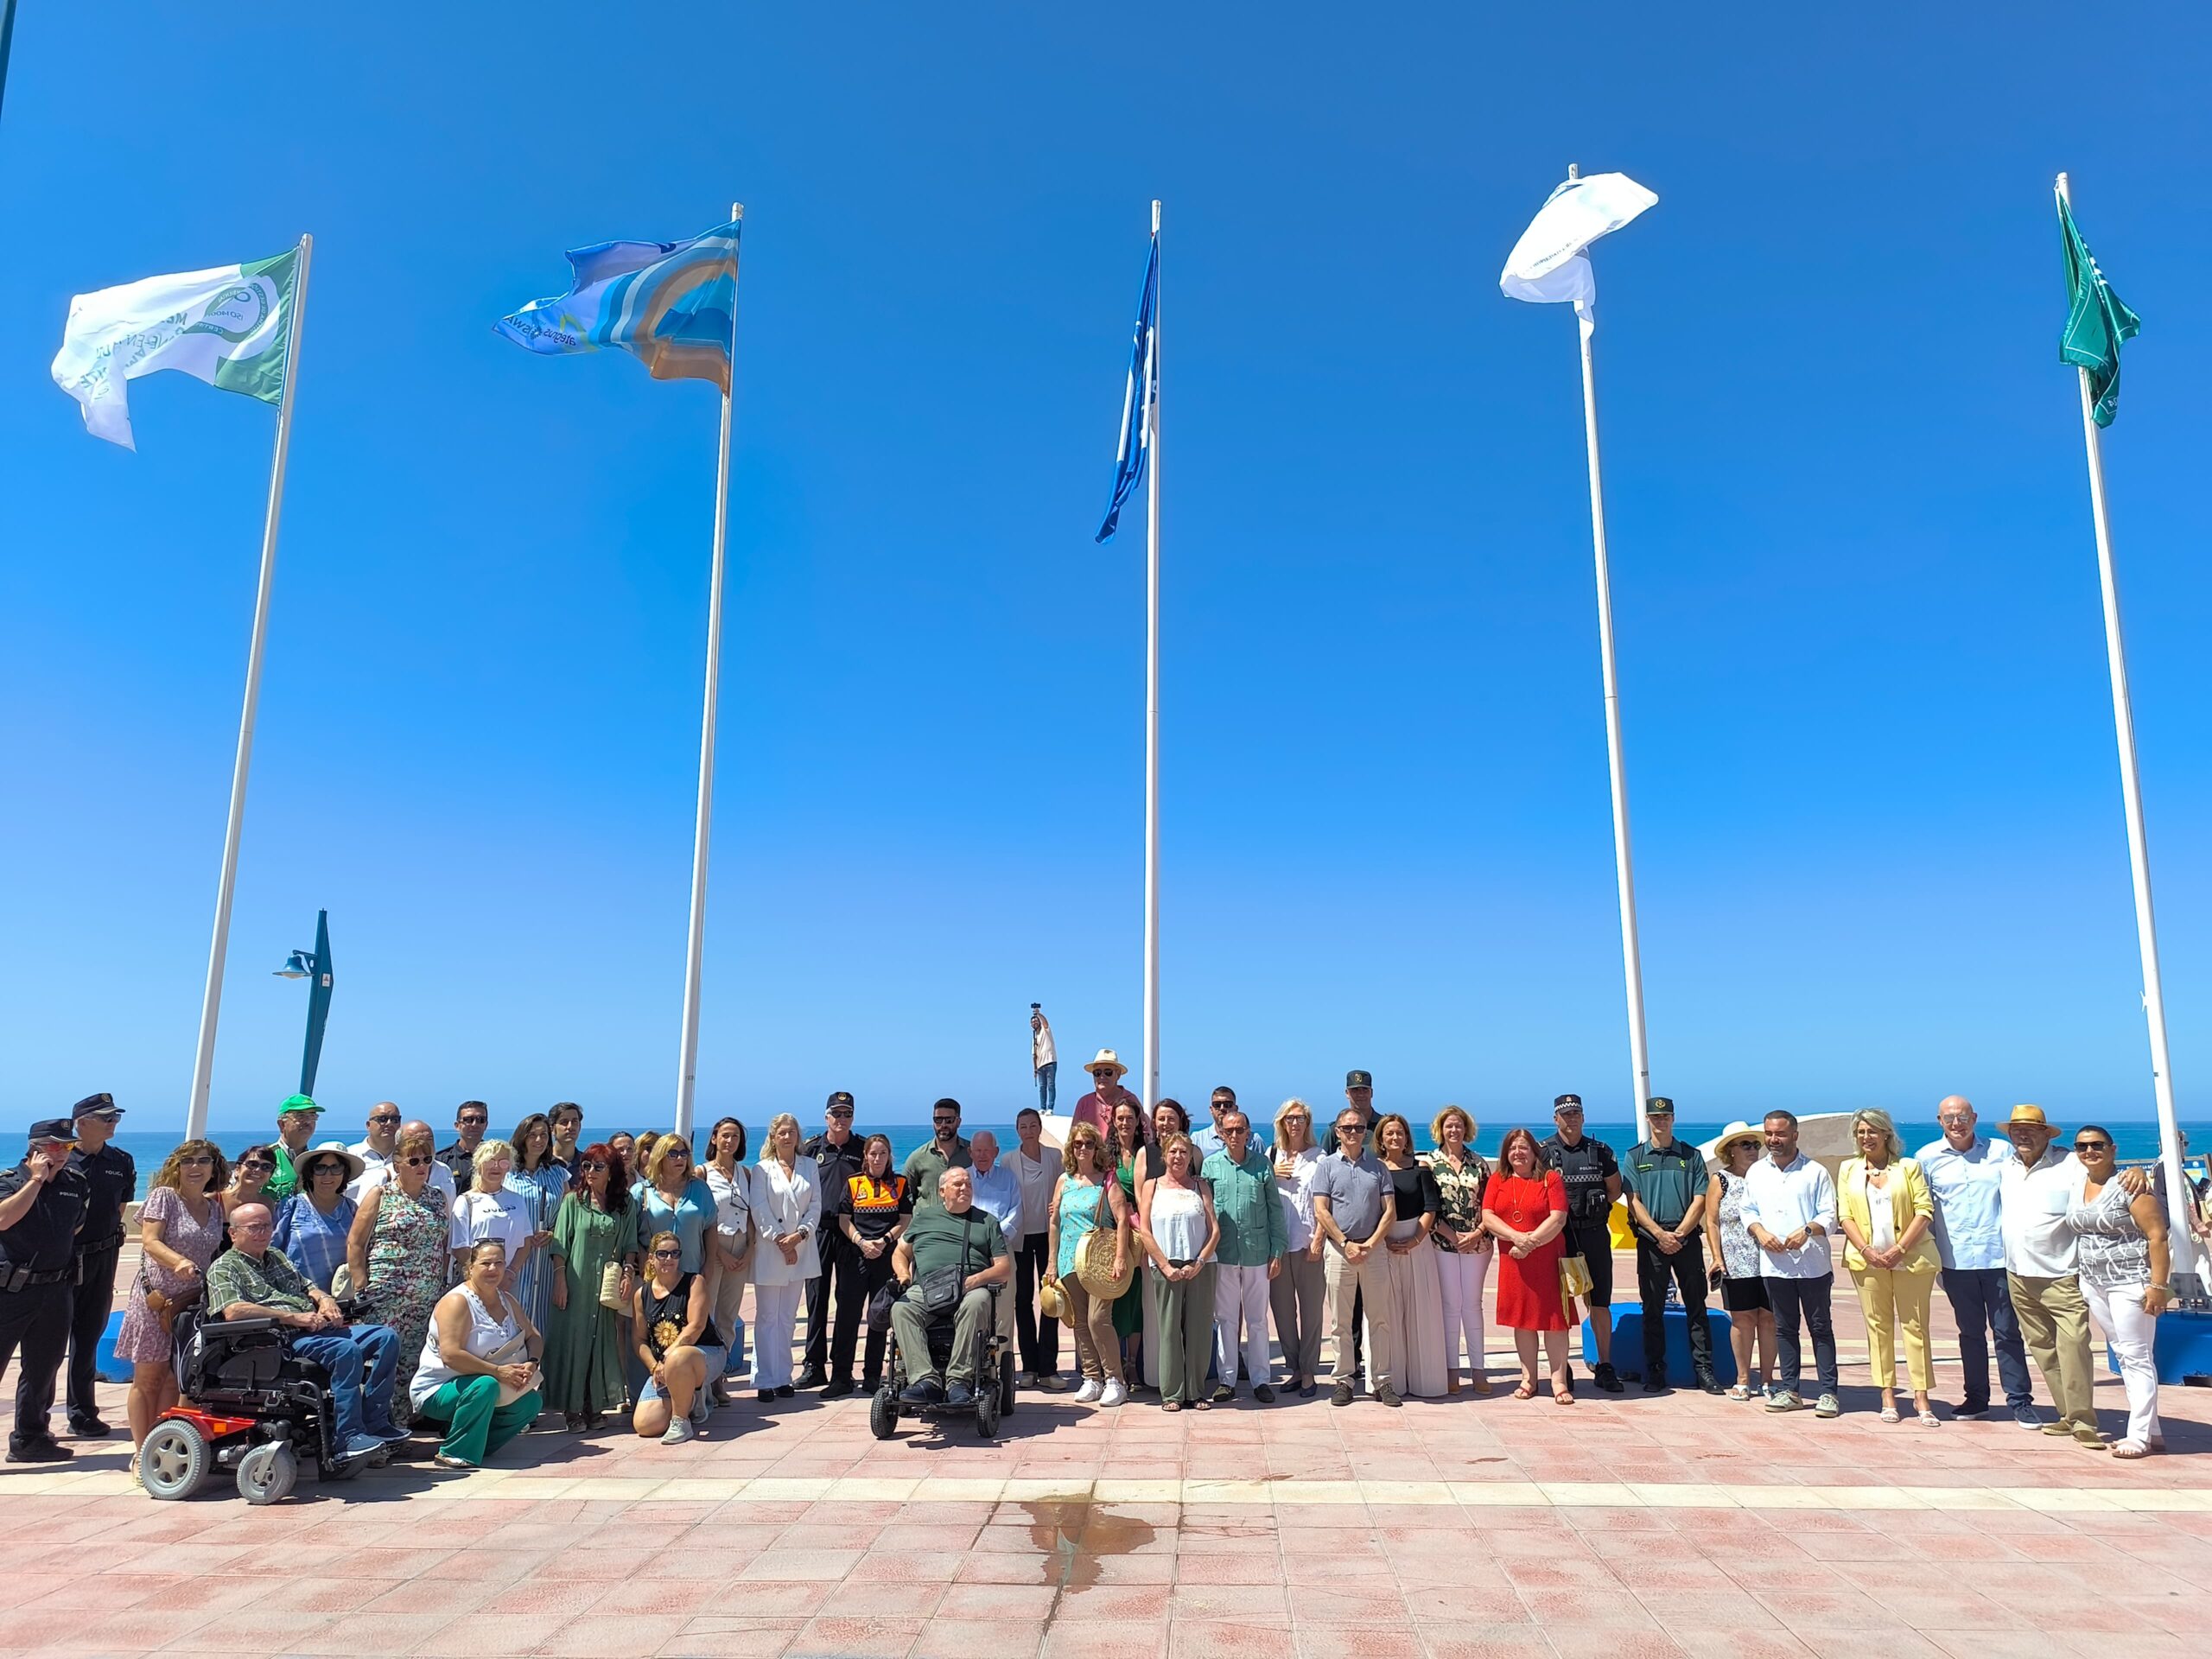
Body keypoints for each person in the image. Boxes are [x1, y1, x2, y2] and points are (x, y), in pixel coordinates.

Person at [206, 1202, 404, 1460]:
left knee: (386, 1338)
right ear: (233, 1233)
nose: (263, 1232)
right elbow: (233, 1311)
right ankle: (347, 1437)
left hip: (313, 1327)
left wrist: (325, 1300)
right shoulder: (224, 1267)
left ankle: (376, 1422)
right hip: (278, 1340)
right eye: (254, 1227)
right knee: (346, 1350)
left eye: (267, 1226)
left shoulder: (276, 1256)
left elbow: (307, 1286)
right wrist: (292, 1317)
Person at [1916, 1097, 2037, 1427]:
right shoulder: (1926, 1158)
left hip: (1998, 1257)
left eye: (1963, 1116)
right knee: (1969, 1333)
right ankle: (1976, 1399)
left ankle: (2020, 1401)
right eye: (1950, 1118)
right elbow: (1921, 1209)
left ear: (1975, 1118)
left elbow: (2037, 1170)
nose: (1957, 1123)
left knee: (2007, 1332)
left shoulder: (2001, 1152)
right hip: (1955, 1262)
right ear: (1940, 1120)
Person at [117, 1141, 227, 1475]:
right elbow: (150, 1240)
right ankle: (140, 1453)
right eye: (188, 1161)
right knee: (147, 1379)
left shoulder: (214, 1207)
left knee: (174, 1381)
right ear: (176, 1166)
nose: (196, 1168)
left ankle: (159, 1447)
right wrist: (178, 1261)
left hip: (190, 1306)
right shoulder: (165, 1197)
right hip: (157, 1302)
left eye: (204, 1161)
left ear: (213, 1167)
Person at [1999, 1104, 2103, 1449]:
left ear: (2047, 1133)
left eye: (2031, 1129)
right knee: (2043, 1349)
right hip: (2018, 1274)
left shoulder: (2070, 1164)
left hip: (2062, 1273)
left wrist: (2137, 1175)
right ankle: (2068, 1415)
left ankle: (2084, 1420)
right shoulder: (2006, 1166)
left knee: (2073, 1347)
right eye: (2017, 1130)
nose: (2023, 1135)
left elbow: (2103, 1175)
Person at [2068, 1124, 2171, 1458]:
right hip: (2095, 1282)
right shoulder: (2077, 1183)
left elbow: (2157, 1236)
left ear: (2113, 1149)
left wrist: (2158, 1287)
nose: (2089, 1152)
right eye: (2082, 1147)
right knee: (2124, 1354)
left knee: (2137, 1356)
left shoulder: (2131, 1185)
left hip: (2131, 1283)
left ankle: (2138, 1436)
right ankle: (2152, 1430)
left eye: (2097, 1145)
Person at [1835, 1108, 1941, 1425]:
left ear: (1886, 1135)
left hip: (1911, 1259)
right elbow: (1845, 1215)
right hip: (1866, 1262)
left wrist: (1899, 1249)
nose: (1866, 1137)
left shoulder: (1909, 1168)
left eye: (1872, 1131)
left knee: (1916, 1327)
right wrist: (1866, 1250)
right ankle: (1887, 1394)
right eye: (1860, 1132)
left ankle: (1921, 1396)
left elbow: (1924, 1210)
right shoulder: (1848, 1169)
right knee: (1878, 1327)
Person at [345, 1122, 450, 1426]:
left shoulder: (437, 1198)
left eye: (427, 1160)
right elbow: (355, 1242)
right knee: (380, 1366)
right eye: (414, 1161)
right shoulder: (380, 1194)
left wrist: (439, 1282)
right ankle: (372, 1430)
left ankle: (399, 1428)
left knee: (412, 1365)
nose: (422, 1167)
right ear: (397, 1164)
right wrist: (361, 1283)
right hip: (385, 1298)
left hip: (424, 1299)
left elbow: (442, 1245)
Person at [0, 1120, 89, 1463]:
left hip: (55, 1289)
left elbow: (76, 1226)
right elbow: (4, 1220)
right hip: (11, 1290)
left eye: (66, 1147)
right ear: (34, 1147)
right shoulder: (9, 1181)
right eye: (53, 1146)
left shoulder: (75, 1183)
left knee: (44, 1367)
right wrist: (36, 1181)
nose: (61, 1153)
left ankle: (30, 1437)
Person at [1742, 1110, 1841, 1419]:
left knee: (1820, 1328)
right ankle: (1790, 1390)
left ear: (1795, 1135)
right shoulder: (1757, 1171)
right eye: (1769, 1134)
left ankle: (1828, 1393)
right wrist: (1759, 1232)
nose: (1774, 1139)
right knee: (1784, 1329)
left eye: (1780, 1134)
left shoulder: (1816, 1172)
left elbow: (1830, 1215)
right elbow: (1748, 1209)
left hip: (1813, 1265)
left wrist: (1808, 1229)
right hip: (1775, 1265)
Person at [410, 1240, 543, 1469]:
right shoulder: (457, 1301)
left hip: (490, 1381)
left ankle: (474, 1444)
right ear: (470, 1267)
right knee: (485, 1386)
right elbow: (451, 1355)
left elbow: (534, 1336)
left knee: (530, 1402)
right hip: (439, 1387)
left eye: (499, 1263)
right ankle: (453, 1452)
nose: (493, 1269)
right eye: (486, 1263)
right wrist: (498, 1371)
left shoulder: (507, 1300)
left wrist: (532, 1363)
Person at [1621, 1097, 1720, 1394]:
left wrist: (1678, 1233)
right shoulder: (1635, 1156)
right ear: (1648, 1119)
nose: (1660, 1121)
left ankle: (1704, 1370)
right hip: (1651, 1242)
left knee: (1696, 1305)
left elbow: (1700, 1198)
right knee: (1652, 1309)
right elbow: (1633, 1201)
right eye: (1655, 1117)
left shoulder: (1690, 1156)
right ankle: (1655, 1370)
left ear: (1673, 1118)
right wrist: (1659, 1235)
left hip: (1686, 1239)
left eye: (1665, 1116)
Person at [890, 1166, 1011, 1407]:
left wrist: (976, 1280)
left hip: (968, 1287)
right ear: (942, 1191)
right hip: (927, 1287)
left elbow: (1004, 1267)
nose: (965, 1188)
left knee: (978, 1302)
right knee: (900, 1309)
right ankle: (926, 1380)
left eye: (968, 1184)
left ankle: (958, 1380)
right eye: (958, 1184)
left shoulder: (986, 1221)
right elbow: (900, 1253)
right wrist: (903, 1275)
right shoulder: (924, 1218)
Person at [544, 1142, 634, 1430]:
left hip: (606, 1285)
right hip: (576, 1281)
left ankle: (595, 1405)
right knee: (574, 1343)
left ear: (612, 1171)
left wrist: (628, 1274)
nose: (591, 1172)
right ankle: (572, 1409)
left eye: (598, 1166)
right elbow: (560, 1243)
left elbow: (630, 1243)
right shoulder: (573, 1201)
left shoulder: (626, 1203)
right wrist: (560, 1279)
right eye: (586, 1166)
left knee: (602, 1342)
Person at [1313, 1108, 1398, 1408]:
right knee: (1341, 1321)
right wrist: (1345, 1242)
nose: (1353, 1132)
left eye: (1359, 1128)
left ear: (1366, 1132)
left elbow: (1389, 1211)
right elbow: (1321, 1210)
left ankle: (1382, 1380)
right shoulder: (1326, 1167)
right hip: (1339, 1252)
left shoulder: (1379, 1168)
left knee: (1379, 1319)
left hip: (1373, 1251)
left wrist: (1372, 1244)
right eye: (1347, 1128)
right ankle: (1345, 1380)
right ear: (1337, 1131)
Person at [1539, 1094, 1623, 1393]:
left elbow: (1614, 1190)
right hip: (1559, 1238)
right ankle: (1562, 1367)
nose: (1571, 1119)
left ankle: (1605, 1365)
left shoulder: (1600, 1151)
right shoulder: (1543, 1153)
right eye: (1565, 1114)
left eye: (1576, 1113)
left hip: (1595, 1235)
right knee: (1560, 1305)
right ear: (1555, 1119)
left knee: (1599, 1302)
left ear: (1583, 1117)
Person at [1484, 1125, 1573, 1403]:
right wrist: (1515, 1239)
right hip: (1515, 1263)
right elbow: (1487, 1216)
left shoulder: (1550, 1180)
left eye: (1523, 1147)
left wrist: (1530, 1242)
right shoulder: (1498, 1180)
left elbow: (1558, 1218)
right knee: (1522, 1320)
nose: (1517, 1153)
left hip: (1548, 1260)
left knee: (1555, 1321)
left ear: (1535, 1152)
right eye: (1512, 1148)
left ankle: (1558, 1382)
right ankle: (1529, 1379)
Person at [63, 1093, 134, 1439]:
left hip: (103, 1257)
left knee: (88, 1337)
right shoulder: (58, 1159)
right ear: (82, 1122)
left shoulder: (120, 1160)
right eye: (106, 1117)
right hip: (61, 1260)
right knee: (45, 1345)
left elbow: (120, 1208)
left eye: (116, 1117)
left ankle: (83, 1413)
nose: (113, 1123)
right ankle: (33, 1423)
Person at [1046, 1122, 1131, 1405]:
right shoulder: (1064, 1180)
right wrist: (1051, 1263)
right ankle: (1091, 1378)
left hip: (1098, 1259)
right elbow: (1055, 1222)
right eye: (1078, 1143)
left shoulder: (1108, 1179)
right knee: (1080, 1322)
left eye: (1089, 1143)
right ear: (1071, 1147)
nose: (1083, 1148)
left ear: (1097, 1148)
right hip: (1069, 1259)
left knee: (1099, 1319)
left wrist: (1120, 1256)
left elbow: (1122, 1220)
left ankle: (1115, 1380)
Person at [1204, 1110, 1283, 1403]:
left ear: (1248, 1132)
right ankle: (1227, 1379)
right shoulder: (1211, 1166)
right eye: (1229, 1131)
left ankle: (1261, 1379)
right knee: (1225, 1319)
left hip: (1257, 1252)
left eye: (1240, 1130)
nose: (1234, 1135)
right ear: (1221, 1133)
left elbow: (1275, 1209)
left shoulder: (1262, 1165)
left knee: (1258, 1320)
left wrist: (1277, 1251)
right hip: (1223, 1254)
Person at [1138, 1134, 1219, 1410]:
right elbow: (1145, 1230)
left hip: (1201, 1266)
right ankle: (1172, 1393)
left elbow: (1214, 1230)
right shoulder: (1152, 1186)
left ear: (1191, 1155)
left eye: (1184, 1152)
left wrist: (1199, 1262)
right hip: (1165, 1266)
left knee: (1199, 1330)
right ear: (1164, 1155)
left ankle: (1196, 1391)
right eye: (1173, 1151)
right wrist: (1164, 1265)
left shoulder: (1201, 1186)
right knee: (1169, 1330)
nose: (1178, 1157)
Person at [826, 1135, 909, 1398]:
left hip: (886, 1256)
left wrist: (885, 1241)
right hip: (855, 1256)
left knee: (879, 1315)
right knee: (847, 1317)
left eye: (882, 1153)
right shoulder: (853, 1183)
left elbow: (906, 1219)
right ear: (865, 1155)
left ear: (889, 1156)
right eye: (873, 1153)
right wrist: (862, 1242)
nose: (877, 1158)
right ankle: (841, 1376)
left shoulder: (900, 1183)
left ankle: (873, 1375)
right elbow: (843, 1219)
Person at [1372, 1114, 1446, 1400]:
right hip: (1384, 1245)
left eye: (1399, 1133)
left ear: (1407, 1137)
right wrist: (1384, 1239)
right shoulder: (1375, 1169)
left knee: (1421, 1312)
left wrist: (1415, 1239)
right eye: (1389, 1133)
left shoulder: (1421, 1167)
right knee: (1386, 1314)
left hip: (1418, 1243)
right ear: (1380, 1138)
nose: (1394, 1138)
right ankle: (1390, 1382)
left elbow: (1431, 1207)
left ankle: (1426, 1381)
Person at [1702, 1123, 1777, 1400]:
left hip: (1771, 1260)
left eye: (1755, 1145)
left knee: (1769, 1320)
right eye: (1745, 1145)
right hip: (1736, 1262)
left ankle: (1769, 1380)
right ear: (1730, 1151)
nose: (1752, 1150)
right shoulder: (1720, 1180)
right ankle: (1743, 1379)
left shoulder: (1768, 1177)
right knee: (1742, 1320)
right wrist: (1717, 1257)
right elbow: (1711, 1221)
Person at [1422, 1106, 1493, 1396]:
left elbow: (1490, 1205)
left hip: (1478, 1244)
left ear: (1467, 1129)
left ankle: (1478, 1370)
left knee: (1472, 1305)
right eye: (1449, 1126)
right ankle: (1452, 1371)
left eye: (1459, 1126)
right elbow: (1428, 1205)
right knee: (1451, 1306)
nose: (1454, 1131)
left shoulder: (1479, 1163)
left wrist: (1476, 1233)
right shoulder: (1429, 1163)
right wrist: (1451, 1235)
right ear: (1441, 1129)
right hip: (1442, 1244)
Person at [752, 1114, 820, 1401]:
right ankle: (764, 1379)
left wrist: (799, 1237)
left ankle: (783, 1377)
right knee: (767, 1316)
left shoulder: (809, 1166)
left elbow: (816, 1204)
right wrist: (781, 1239)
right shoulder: (761, 1169)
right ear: (773, 1136)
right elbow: (759, 1208)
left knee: (788, 1318)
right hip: (771, 1249)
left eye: (792, 1132)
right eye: (782, 1132)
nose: (787, 1137)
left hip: (801, 1248)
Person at [799, 1091, 864, 1390]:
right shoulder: (811, 1149)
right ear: (826, 1117)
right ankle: (813, 1366)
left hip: (851, 1232)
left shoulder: (863, 1148)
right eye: (836, 1114)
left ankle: (842, 1370)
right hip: (820, 1231)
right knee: (816, 1300)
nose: (841, 1119)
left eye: (846, 1114)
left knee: (848, 1301)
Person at [632, 1230, 722, 1443]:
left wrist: (666, 1359)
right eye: (663, 1254)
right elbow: (639, 1340)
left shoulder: (694, 1282)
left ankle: (681, 1422)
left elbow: (696, 1327)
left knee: (679, 1358)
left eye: (675, 1253)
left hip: (704, 1355)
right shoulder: (641, 1295)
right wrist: (655, 1367)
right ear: (652, 1258)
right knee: (646, 1425)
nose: (669, 1259)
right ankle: (689, 1398)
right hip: (664, 1367)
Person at [1269, 1099, 1326, 1398]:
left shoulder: (1320, 1158)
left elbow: (1324, 1202)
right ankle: (1293, 1367)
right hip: (1279, 1246)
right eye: (1290, 1118)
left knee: (1312, 1311)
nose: (1295, 1123)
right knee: (1282, 1311)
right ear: (1282, 1122)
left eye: (1300, 1118)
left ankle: (1308, 1371)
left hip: (1308, 1245)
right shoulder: (1271, 1155)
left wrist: (1319, 1238)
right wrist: (1271, 1173)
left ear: (1307, 1122)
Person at [1009, 1109, 1065, 1390]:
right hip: (1018, 1240)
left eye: (1033, 1125)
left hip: (1047, 1237)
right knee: (1022, 1301)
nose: (1028, 1130)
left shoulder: (1055, 1157)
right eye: (1023, 1126)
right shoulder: (1008, 1161)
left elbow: (1067, 1188)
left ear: (1040, 1127)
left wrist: (1060, 1206)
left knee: (1051, 1300)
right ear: (1017, 1130)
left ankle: (1049, 1368)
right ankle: (1028, 1368)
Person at [701, 1116, 753, 1399]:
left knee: (727, 1317)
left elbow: (751, 1216)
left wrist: (750, 1250)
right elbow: (704, 1219)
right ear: (714, 1138)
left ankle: (719, 1376)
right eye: (725, 1135)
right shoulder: (703, 1173)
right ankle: (705, 1380)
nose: (729, 1141)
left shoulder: (745, 1174)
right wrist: (718, 1252)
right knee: (706, 1314)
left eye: (735, 1137)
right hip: (714, 1247)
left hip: (741, 1247)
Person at [271, 1143, 363, 1294]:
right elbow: (271, 1251)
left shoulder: (352, 1209)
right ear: (310, 1173)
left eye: (336, 1167)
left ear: (344, 1172)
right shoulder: (290, 1206)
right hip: (299, 1299)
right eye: (320, 1168)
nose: (328, 1175)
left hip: (343, 1299)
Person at [506, 1113, 568, 1336]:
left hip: (546, 1259)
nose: (539, 1140)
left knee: (542, 1321)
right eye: (532, 1135)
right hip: (514, 1259)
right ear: (522, 1138)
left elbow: (566, 1215)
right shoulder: (507, 1174)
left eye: (543, 1135)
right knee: (512, 1320)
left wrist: (552, 1232)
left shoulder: (559, 1174)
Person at [452, 1140, 537, 1294]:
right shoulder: (465, 1201)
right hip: (476, 1283)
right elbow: (459, 1248)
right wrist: (483, 1275)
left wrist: (510, 1273)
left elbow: (525, 1242)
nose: (496, 1167)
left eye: (503, 1162)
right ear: (478, 1164)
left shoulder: (516, 1200)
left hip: (509, 1283)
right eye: (490, 1161)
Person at [1107, 1098, 1153, 1387]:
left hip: (1140, 1232)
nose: (1125, 1123)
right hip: (1110, 1232)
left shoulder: (1147, 1153)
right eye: (1120, 1118)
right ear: (1113, 1121)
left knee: (1135, 1300)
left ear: (1138, 1121)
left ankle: (1132, 1363)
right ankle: (1112, 1364)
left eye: (1130, 1118)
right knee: (1112, 1297)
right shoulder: (1105, 1153)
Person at [968, 1132, 1024, 1363]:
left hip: (1002, 1251)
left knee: (1003, 1310)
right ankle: (973, 1364)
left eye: (987, 1150)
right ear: (970, 1152)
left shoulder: (1008, 1178)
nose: (982, 1155)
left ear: (996, 1152)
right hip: (971, 1252)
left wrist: (996, 1240)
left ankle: (1002, 1366)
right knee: (973, 1307)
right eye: (978, 1151)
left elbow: (1017, 1212)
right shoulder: (962, 1179)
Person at [350, 1112, 457, 1209]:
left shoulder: (444, 1170)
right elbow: (361, 1218)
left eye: (429, 1139)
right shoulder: (380, 1177)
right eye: (416, 1141)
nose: (425, 1145)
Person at [905, 1097, 974, 1220]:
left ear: (958, 1122)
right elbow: (906, 1197)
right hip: (926, 1227)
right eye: (938, 1120)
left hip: (963, 1224)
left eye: (949, 1120)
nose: (943, 1125)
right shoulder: (917, 1158)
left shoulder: (972, 1154)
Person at [263, 1095, 322, 1205]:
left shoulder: (317, 1161)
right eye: (300, 1116)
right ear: (282, 1124)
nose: (308, 1122)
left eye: (312, 1116)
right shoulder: (264, 1158)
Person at [1070, 1049, 1136, 1139]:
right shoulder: (1084, 1103)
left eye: (1108, 1072)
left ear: (1118, 1074)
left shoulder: (1131, 1100)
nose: (1102, 1076)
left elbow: (1145, 1134)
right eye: (1097, 1073)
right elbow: (1073, 1137)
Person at [436, 1101, 491, 1194]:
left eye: (481, 1120)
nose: (474, 1124)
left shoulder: (496, 1157)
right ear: (457, 1126)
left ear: (486, 1125)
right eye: (468, 1120)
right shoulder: (441, 1160)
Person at [347, 1103, 404, 1193]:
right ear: (368, 1125)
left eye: (395, 1119)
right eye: (383, 1119)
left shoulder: (410, 1159)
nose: (389, 1123)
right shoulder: (350, 1157)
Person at [1192, 1086, 1236, 1161]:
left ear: (1236, 1108)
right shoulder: (1198, 1140)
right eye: (1217, 1105)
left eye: (1228, 1104)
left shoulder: (1253, 1140)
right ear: (1211, 1109)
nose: (1222, 1108)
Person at [1032, 1005, 1058, 1115]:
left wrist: (1038, 1014)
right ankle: (1042, 1108)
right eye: (1032, 1022)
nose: (1034, 1023)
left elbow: (1045, 1022)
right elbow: (1034, 1055)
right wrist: (1035, 1069)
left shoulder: (1046, 1031)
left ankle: (1050, 1108)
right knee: (1042, 1087)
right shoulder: (1034, 1038)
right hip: (1040, 1065)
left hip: (1050, 1062)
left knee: (1050, 1086)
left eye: (1036, 1021)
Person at [550, 1103, 585, 1171]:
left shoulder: (587, 1164)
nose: (570, 1127)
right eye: (564, 1122)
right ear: (552, 1129)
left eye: (574, 1121)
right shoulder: (543, 1163)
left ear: (579, 1127)